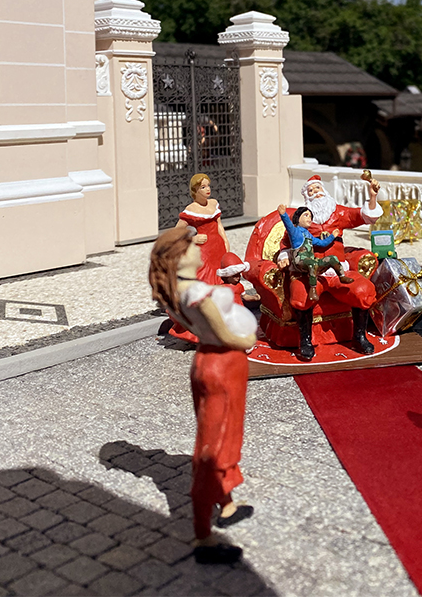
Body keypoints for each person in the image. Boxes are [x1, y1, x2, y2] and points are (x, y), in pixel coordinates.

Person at [149, 226, 257, 564]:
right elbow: (227, 335)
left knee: (219, 434)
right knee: (214, 446)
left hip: (206, 363)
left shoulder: (174, 291)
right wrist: (250, 340)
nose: (199, 248)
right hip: (222, 362)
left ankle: (226, 503)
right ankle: (203, 536)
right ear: (180, 257)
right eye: (192, 246)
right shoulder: (196, 292)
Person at [276, 175, 383, 360]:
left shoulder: (338, 212)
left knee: (363, 290)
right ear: (306, 197)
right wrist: (284, 256)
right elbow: (286, 243)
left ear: (324, 191)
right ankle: (306, 341)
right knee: (301, 296)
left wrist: (372, 197)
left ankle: (359, 336)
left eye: (317, 188)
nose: (315, 193)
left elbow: (364, 216)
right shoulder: (301, 221)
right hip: (312, 271)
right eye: (311, 190)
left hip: (337, 269)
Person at [277, 204, 353, 304]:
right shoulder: (295, 232)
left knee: (332, 258)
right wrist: (283, 214)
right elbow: (288, 225)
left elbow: (322, 243)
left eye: (310, 217)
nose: (309, 218)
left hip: (310, 261)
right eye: (306, 215)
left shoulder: (309, 235)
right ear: (297, 218)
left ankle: (342, 276)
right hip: (299, 261)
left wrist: (332, 236)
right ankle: (312, 289)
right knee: (312, 264)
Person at [177, 174, 229, 283]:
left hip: (218, 245)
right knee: (206, 276)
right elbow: (176, 233)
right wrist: (192, 239)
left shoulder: (213, 203)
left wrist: (225, 241)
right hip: (204, 248)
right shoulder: (191, 209)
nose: (208, 189)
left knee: (222, 275)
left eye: (208, 186)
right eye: (203, 187)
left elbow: (219, 224)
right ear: (195, 190)